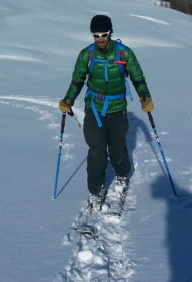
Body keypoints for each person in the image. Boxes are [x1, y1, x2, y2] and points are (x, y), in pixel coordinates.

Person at [59, 14, 154, 206]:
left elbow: (138, 77)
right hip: (94, 108)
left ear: (110, 33)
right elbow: (77, 80)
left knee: (118, 148)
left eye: (104, 34)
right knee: (96, 151)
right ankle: (96, 189)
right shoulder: (87, 54)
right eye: (96, 35)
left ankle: (121, 175)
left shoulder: (123, 53)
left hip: (118, 109)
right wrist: (68, 99)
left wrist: (145, 96)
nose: (100, 39)